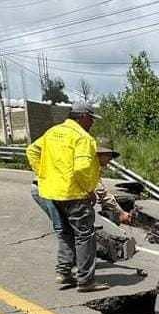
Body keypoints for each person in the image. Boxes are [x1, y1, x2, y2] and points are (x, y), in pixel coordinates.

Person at [26, 103, 107, 293]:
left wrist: (44, 175)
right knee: (84, 235)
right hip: (74, 194)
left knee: (65, 232)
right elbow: (81, 168)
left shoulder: (53, 132)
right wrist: (88, 189)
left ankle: (64, 274)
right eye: (92, 119)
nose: (92, 123)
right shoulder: (82, 138)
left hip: (51, 192)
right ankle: (86, 280)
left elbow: (31, 151)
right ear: (84, 116)